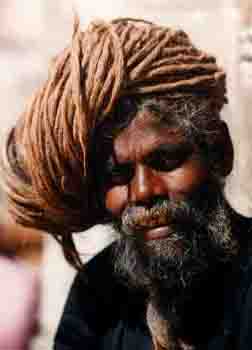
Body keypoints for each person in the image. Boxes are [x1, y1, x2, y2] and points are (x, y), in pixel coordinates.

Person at [2, 17, 252, 349]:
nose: (144, 191)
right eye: (118, 175)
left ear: (220, 151)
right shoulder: (97, 298)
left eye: (166, 160)